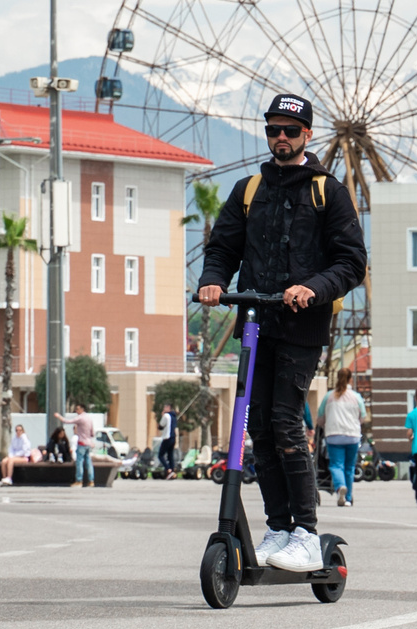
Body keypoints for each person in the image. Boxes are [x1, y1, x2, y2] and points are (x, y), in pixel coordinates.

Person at [196, 91, 368, 573]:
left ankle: (307, 534)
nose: (281, 138)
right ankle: (277, 527)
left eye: (290, 131)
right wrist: (212, 282)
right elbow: (223, 249)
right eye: (273, 130)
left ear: (308, 135)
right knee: (258, 428)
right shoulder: (248, 190)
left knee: (286, 422)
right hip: (255, 324)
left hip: (302, 328)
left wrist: (312, 289)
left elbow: (351, 262)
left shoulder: (327, 191)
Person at [318, 368, 365, 507]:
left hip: (334, 435)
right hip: (352, 436)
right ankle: (348, 498)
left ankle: (340, 487)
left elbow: (320, 417)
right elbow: (362, 417)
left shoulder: (329, 396)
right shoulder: (356, 397)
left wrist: (323, 426)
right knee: (349, 467)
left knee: (336, 465)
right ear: (351, 379)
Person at [66, 401, 93, 487]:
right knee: (88, 462)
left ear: (82, 409)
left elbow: (69, 421)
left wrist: (59, 417)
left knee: (79, 462)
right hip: (88, 443)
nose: (76, 410)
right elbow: (92, 432)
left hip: (81, 443)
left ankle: (79, 480)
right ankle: (91, 480)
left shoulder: (80, 418)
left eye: (77, 409)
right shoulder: (89, 418)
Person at [157, 403, 179, 477]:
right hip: (173, 438)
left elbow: (160, 426)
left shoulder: (166, 416)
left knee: (160, 455)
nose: (164, 408)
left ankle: (168, 469)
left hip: (167, 438)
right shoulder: (174, 416)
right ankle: (172, 471)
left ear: (168, 408)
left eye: (165, 407)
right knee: (170, 455)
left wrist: (162, 416)